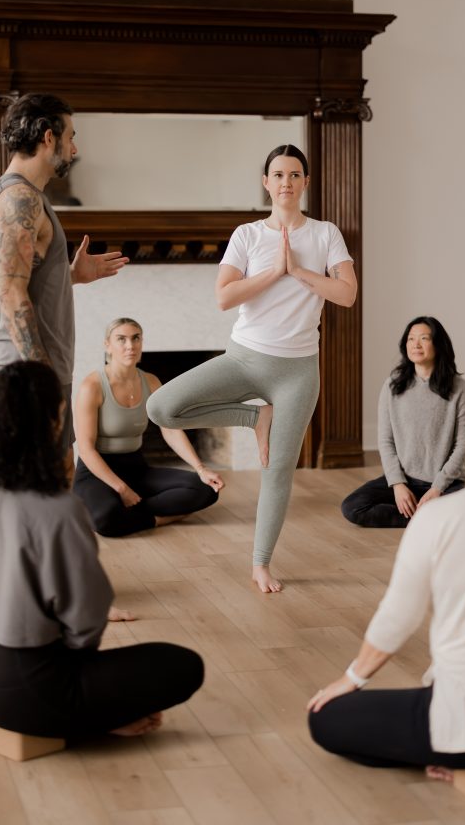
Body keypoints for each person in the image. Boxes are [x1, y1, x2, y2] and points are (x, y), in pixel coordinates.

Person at [0, 361, 204, 741]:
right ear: (49, 423)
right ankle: (86, 719)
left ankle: (77, 710)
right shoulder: (57, 508)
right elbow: (87, 618)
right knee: (184, 665)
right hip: (27, 690)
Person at [307, 380, 465, 778]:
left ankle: (442, 757)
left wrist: (351, 679)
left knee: (326, 717)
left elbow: (398, 618)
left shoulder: (439, 517)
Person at [147, 144, 357, 593]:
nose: (286, 182)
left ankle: (261, 564)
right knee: (162, 407)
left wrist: (299, 271)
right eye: (277, 174)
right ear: (266, 182)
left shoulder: (325, 234)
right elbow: (224, 297)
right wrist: (274, 272)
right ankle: (253, 416)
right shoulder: (247, 235)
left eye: (294, 174)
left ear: (304, 182)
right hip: (243, 358)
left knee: (277, 470)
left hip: (298, 371)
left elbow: (346, 294)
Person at [0, 93, 129, 468]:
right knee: (41, 486)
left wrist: (69, 276)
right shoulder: (19, 200)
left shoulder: (25, 197)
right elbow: (10, 292)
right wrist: (39, 381)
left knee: (57, 476)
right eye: (71, 136)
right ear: (48, 137)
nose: (74, 148)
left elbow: (23, 280)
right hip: (28, 372)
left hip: (35, 368)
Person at [73, 318, 224, 536]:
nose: (130, 346)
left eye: (136, 338)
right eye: (121, 339)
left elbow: (170, 430)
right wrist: (122, 489)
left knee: (206, 489)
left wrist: (201, 469)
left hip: (136, 469)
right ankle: (156, 518)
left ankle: (126, 514)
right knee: (105, 520)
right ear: (108, 345)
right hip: (97, 474)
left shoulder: (151, 381)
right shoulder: (93, 386)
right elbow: (86, 450)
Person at [341, 317, 465, 527]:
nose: (415, 344)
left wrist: (437, 488)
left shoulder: (460, 388)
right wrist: (398, 484)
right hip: (405, 479)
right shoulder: (392, 385)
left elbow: (463, 445)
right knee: (353, 506)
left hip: (447, 483)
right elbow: (385, 440)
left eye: (424, 338)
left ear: (438, 344)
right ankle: (426, 518)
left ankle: (427, 514)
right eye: (410, 339)